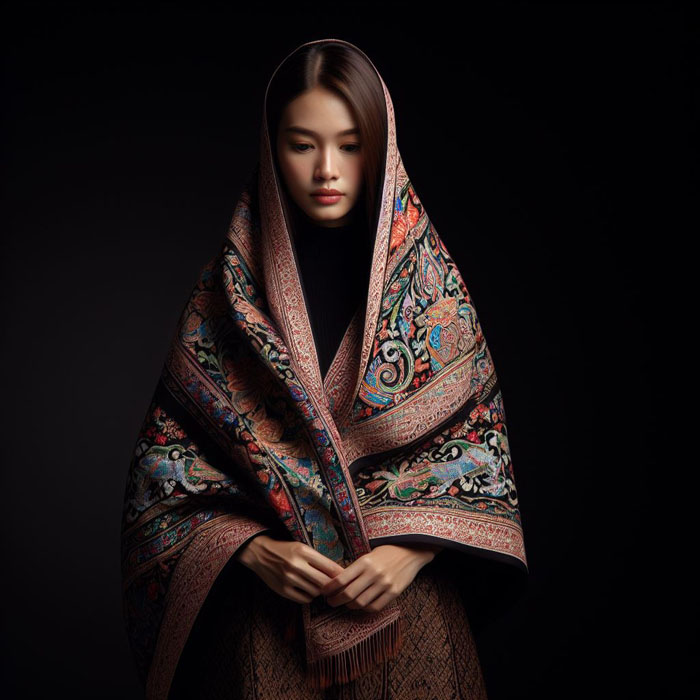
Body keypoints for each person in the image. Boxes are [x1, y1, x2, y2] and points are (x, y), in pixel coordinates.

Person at [121, 38, 527, 700]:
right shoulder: (226, 298)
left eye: (350, 143)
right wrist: (251, 552)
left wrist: (413, 551)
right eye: (302, 143)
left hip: (409, 619)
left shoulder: (433, 289)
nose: (326, 169)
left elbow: (480, 456)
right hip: (264, 626)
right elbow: (163, 477)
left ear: (382, 147)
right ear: (271, 147)